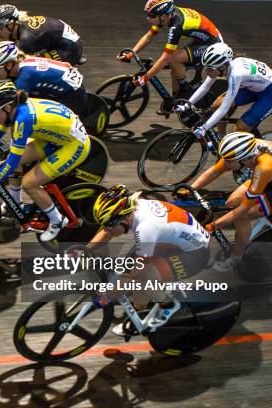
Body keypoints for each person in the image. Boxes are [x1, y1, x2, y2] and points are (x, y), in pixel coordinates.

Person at [0, 80, 91, 241]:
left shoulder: (22, 119)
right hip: (55, 138)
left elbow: (11, 164)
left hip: (74, 145)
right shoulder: (14, 109)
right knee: (13, 160)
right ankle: (15, 203)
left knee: (29, 183)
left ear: (7, 108)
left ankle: (57, 220)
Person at [90, 184, 211, 335]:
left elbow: (135, 276)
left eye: (109, 225)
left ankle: (168, 305)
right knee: (132, 272)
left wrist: (106, 297)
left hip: (195, 255)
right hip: (173, 243)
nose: (106, 230)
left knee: (142, 278)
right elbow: (107, 230)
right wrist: (87, 250)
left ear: (126, 219)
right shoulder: (133, 204)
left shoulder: (146, 228)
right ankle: (140, 311)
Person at [179, 132, 272, 272]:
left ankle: (236, 257)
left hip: (267, 176)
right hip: (266, 178)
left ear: (243, 159)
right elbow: (215, 171)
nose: (225, 163)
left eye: (228, 161)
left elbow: (242, 210)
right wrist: (189, 189)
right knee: (231, 204)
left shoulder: (263, 167)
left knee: (242, 215)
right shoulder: (245, 149)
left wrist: (213, 226)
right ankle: (244, 234)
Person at [120, 0, 223, 103]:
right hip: (202, 40)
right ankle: (176, 99)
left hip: (213, 45)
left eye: (151, 15)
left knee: (172, 59)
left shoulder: (176, 26)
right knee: (175, 68)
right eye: (148, 14)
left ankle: (185, 90)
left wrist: (144, 79)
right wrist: (131, 53)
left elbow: (165, 59)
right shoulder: (166, 17)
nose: (148, 18)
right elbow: (148, 37)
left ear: (164, 15)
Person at [175, 43, 271, 140]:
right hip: (253, 88)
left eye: (210, 69)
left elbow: (224, 108)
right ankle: (221, 137)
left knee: (237, 131)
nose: (206, 72)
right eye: (206, 68)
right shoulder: (223, 67)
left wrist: (204, 128)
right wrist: (186, 106)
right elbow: (205, 86)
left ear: (223, 67)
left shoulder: (236, 74)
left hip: (269, 95)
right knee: (217, 105)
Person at [0, 41, 87, 116]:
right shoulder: (20, 64)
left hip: (73, 97)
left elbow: (10, 108)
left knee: (31, 119)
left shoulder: (25, 77)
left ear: (9, 65)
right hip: (66, 86)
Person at [0, 4, 83, 66]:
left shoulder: (26, 38)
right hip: (63, 42)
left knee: (33, 69)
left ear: (11, 24)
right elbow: (10, 54)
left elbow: (17, 63)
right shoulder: (21, 27)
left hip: (68, 49)